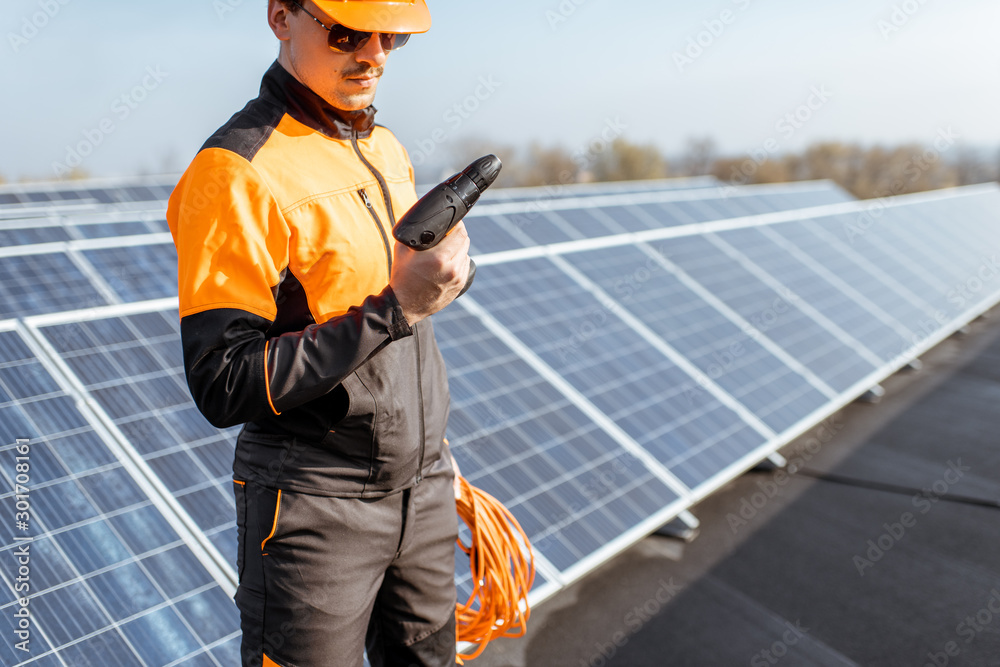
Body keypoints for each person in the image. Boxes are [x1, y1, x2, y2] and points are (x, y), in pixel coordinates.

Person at [165, 1, 470, 665]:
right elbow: (223, 381)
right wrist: (399, 305)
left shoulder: (385, 148)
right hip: (316, 505)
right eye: (347, 32)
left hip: (423, 489)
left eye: (390, 36)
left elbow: (390, 308)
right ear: (281, 17)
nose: (374, 53)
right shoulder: (235, 172)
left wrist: (444, 279)